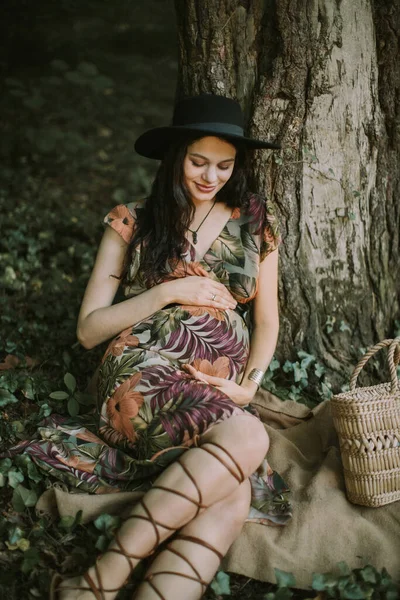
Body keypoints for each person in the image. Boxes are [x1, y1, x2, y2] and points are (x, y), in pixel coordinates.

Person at [18, 93, 287, 599]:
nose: (211, 177)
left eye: (224, 166)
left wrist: (250, 385)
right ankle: (103, 579)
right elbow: (89, 330)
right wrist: (166, 292)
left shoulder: (256, 227)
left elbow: (268, 321)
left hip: (215, 388)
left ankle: (92, 591)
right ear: (173, 157)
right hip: (145, 372)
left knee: (230, 490)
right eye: (197, 162)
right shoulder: (133, 220)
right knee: (250, 443)